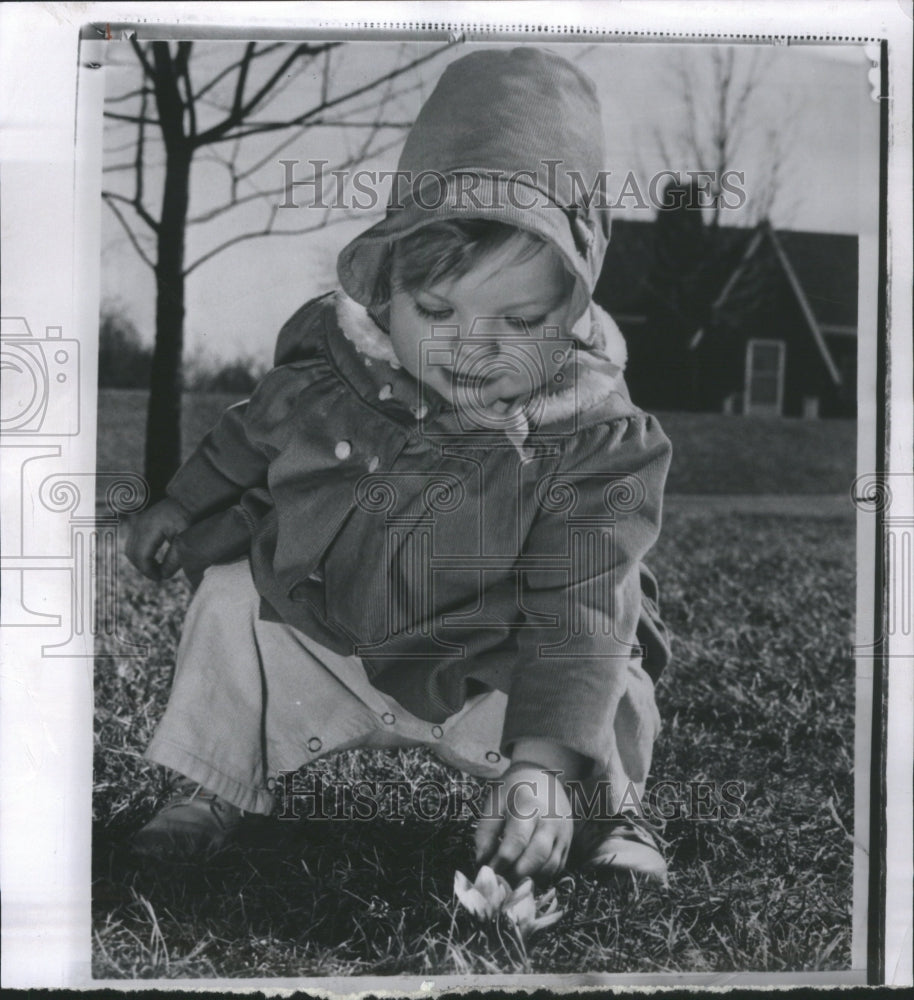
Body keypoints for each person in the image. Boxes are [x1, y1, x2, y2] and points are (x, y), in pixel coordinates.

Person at [126, 46, 673, 885]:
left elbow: (579, 612)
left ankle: (596, 809)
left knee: (610, 669)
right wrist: (180, 504)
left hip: (491, 678)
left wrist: (541, 763)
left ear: (574, 311)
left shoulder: (592, 437)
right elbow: (249, 437)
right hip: (332, 646)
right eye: (437, 309)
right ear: (385, 291)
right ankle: (208, 783)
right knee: (234, 595)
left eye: (519, 319)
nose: (470, 347)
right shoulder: (331, 369)